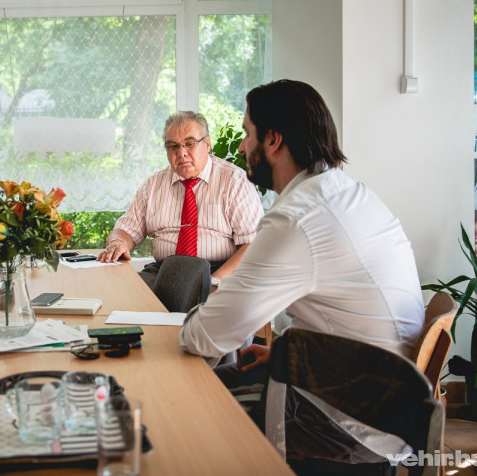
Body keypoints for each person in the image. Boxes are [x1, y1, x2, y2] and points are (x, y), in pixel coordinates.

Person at [179, 80, 424, 459]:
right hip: (382, 399)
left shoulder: (298, 219)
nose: (242, 146)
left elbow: (206, 337)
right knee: (208, 385)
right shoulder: (346, 193)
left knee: (183, 410)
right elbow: (339, 316)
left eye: (247, 133)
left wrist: (187, 323)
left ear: (273, 140)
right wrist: (283, 354)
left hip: (347, 424)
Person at [97, 111, 263, 292]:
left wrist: (214, 281)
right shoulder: (153, 184)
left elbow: (253, 245)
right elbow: (124, 230)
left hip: (218, 270)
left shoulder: (234, 180)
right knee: (120, 296)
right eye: (173, 146)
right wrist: (117, 243)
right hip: (164, 271)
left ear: (207, 144)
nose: (181, 153)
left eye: (190, 144)